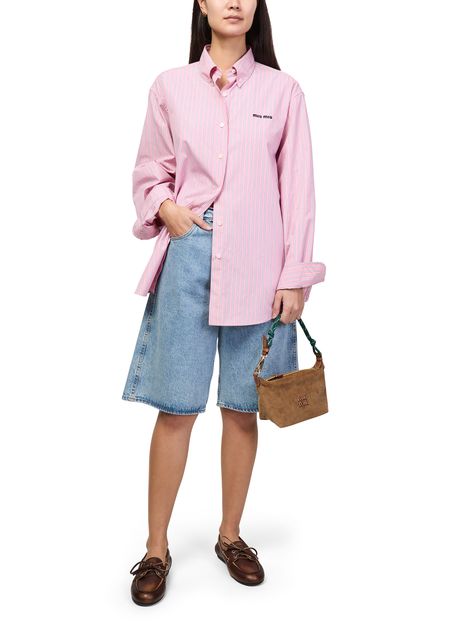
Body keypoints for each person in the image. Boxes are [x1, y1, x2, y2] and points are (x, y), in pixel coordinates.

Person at [122, 0, 326, 606]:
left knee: (241, 408)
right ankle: (155, 548)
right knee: (176, 409)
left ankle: (230, 537)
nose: (234, 1)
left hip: (261, 271)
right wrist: (166, 208)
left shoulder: (283, 91)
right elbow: (149, 168)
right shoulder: (171, 86)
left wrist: (295, 276)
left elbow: (299, 189)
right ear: (202, 4)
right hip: (189, 259)